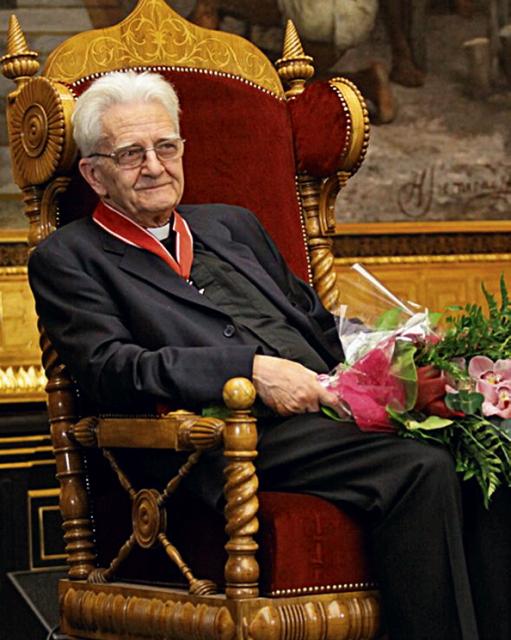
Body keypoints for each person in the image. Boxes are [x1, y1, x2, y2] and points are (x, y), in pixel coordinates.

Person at [28, 71, 511, 640]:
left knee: (486, 438)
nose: (155, 166)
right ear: (95, 174)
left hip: (324, 408)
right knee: (421, 467)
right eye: (131, 154)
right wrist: (248, 371)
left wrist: (400, 355)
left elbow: (316, 323)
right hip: (221, 439)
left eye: (166, 147)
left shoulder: (230, 224)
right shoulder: (69, 258)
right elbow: (111, 369)